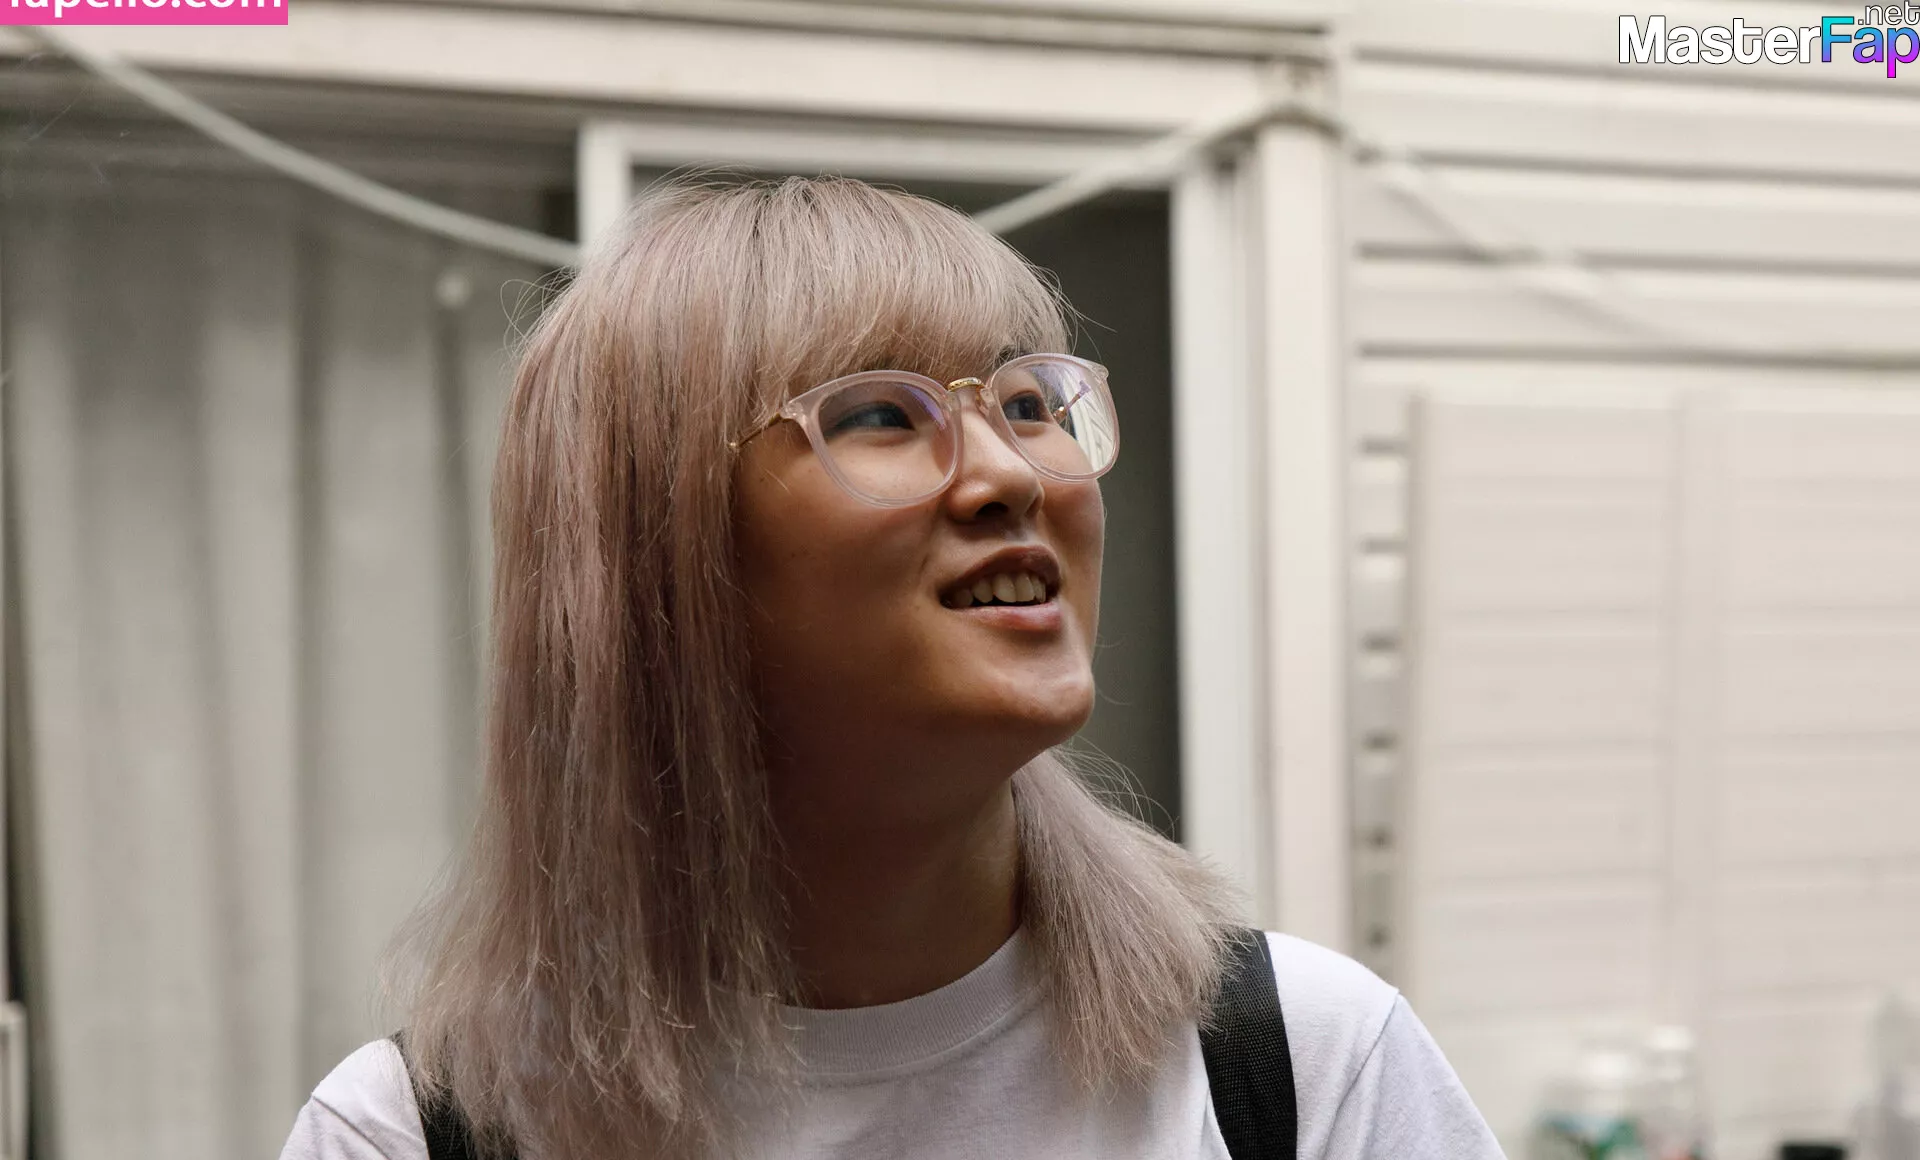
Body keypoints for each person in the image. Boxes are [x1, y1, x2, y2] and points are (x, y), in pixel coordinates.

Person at [278, 175, 1505, 1160]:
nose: (1011, 472)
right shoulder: (416, 1135)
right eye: (879, 415)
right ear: (660, 559)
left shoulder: (1295, 1065)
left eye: (1028, 401)